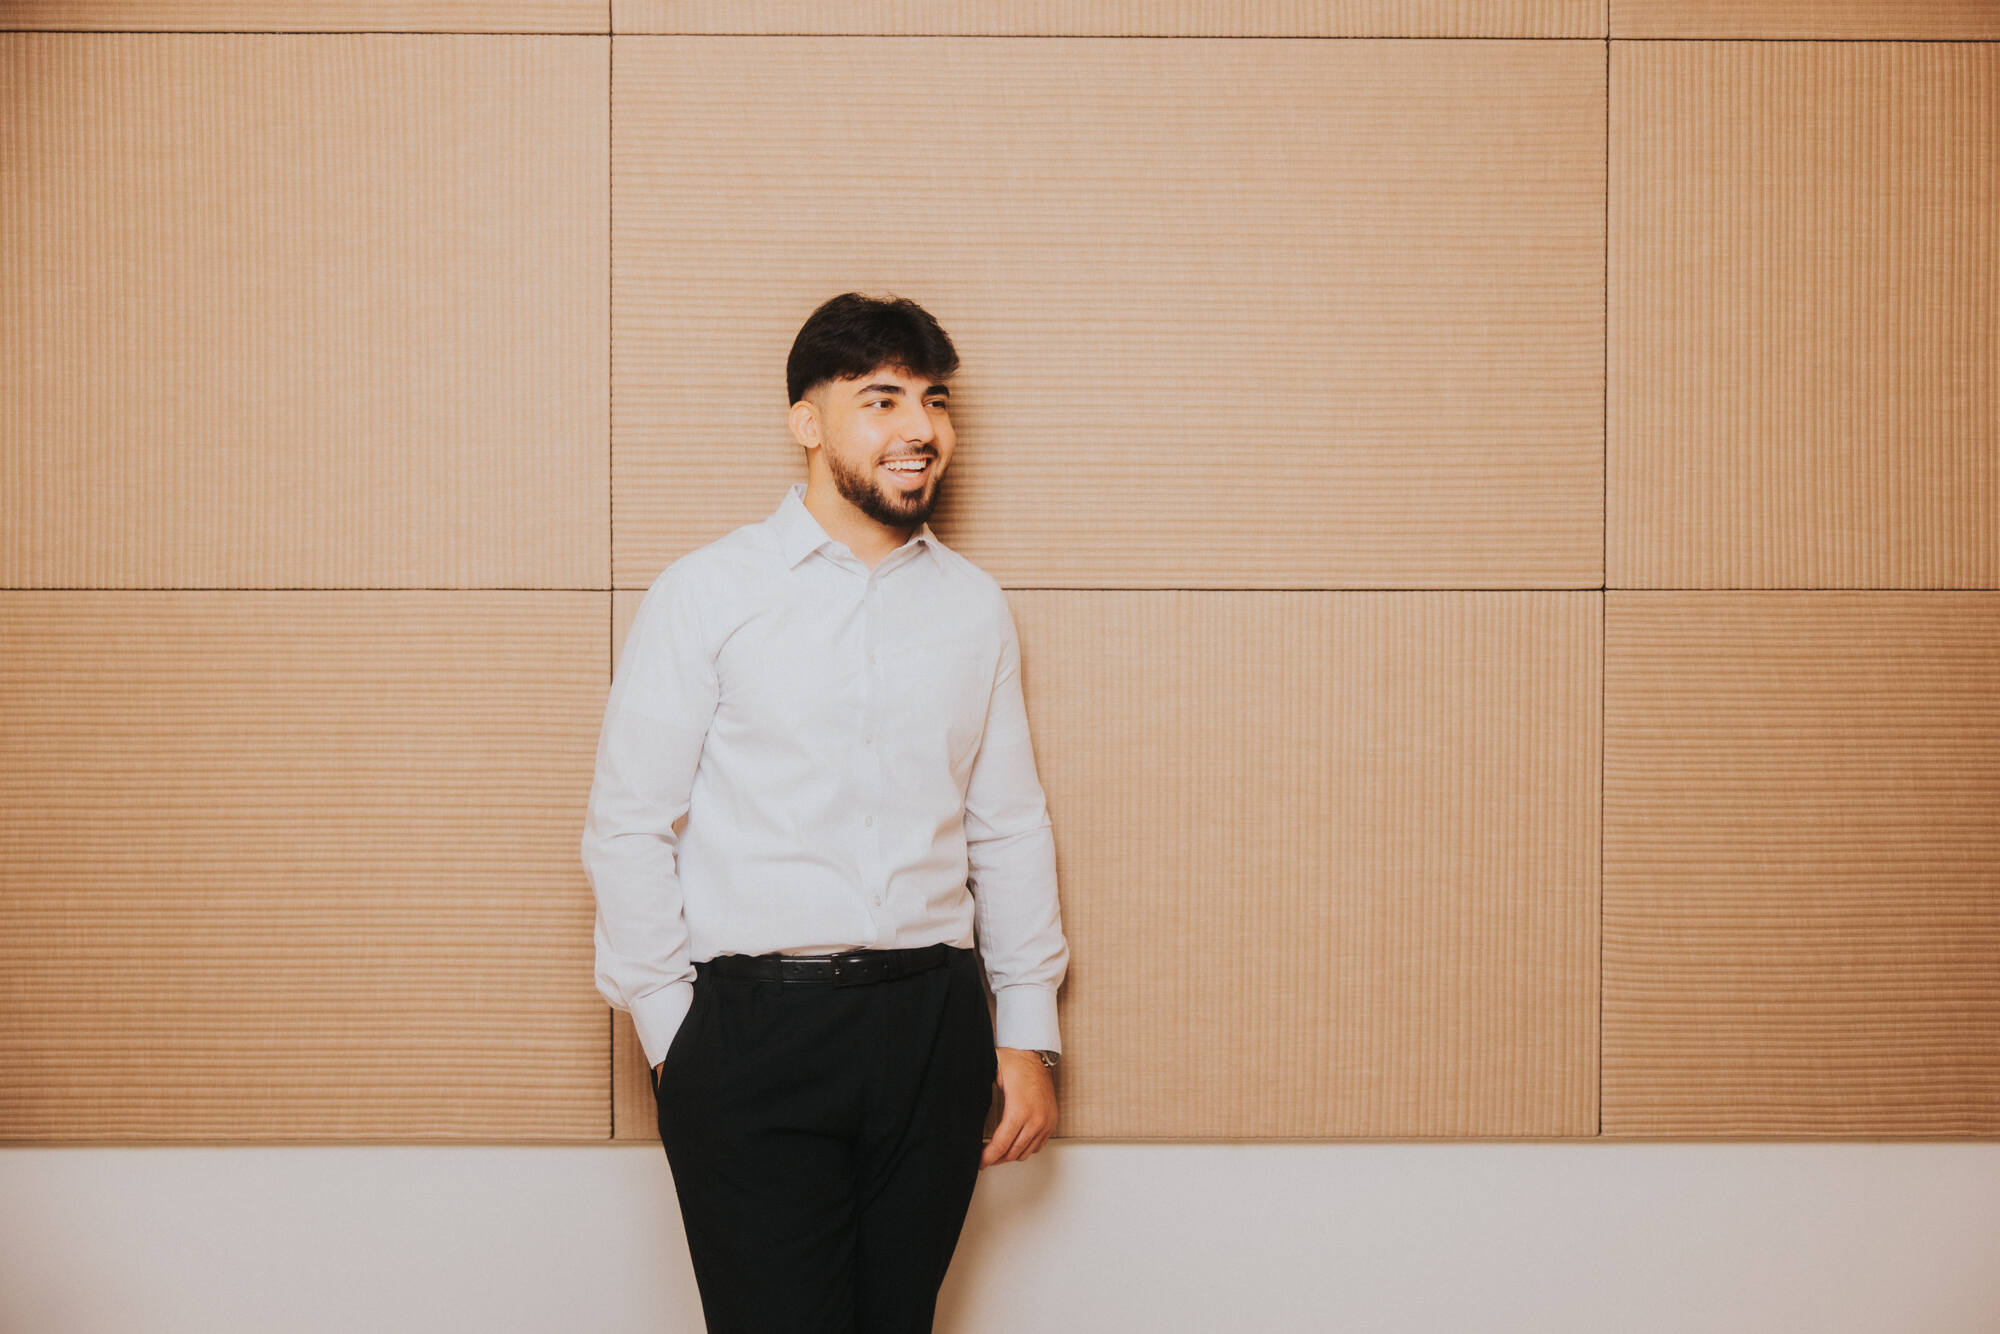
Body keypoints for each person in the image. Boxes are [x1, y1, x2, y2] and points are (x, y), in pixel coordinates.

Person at [580, 291, 1069, 1333]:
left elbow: (1007, 825)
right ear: (806, 421)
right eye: (880, 399)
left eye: (933, 402)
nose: (919, 430)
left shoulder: (971, 605)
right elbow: (627, 825)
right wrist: (678, 1041)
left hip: (933, 1023)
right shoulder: (705, 593)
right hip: (753, 1031)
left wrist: (1024, 1030)